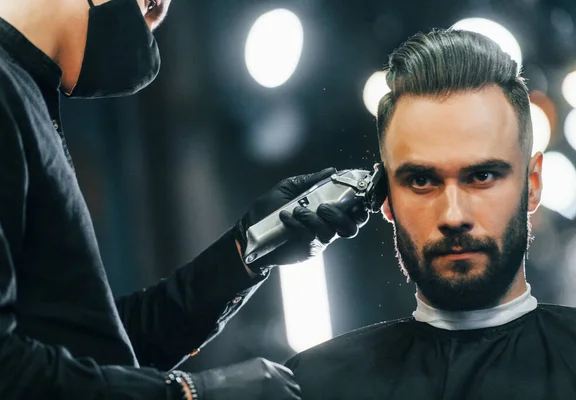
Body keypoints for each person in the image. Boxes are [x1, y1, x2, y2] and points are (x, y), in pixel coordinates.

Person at [0, 0, 369, 398]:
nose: (151, 24)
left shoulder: (26, 95)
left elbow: (96, 350)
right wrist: (188, 393)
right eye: (150, 4)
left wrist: (250, 246)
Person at [285, 28, 576, 399]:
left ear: (532, 184)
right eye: (421, 180)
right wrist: (241, 257)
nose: (453, 215)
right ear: (385, 195)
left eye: (481, 176)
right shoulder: (317, 386)